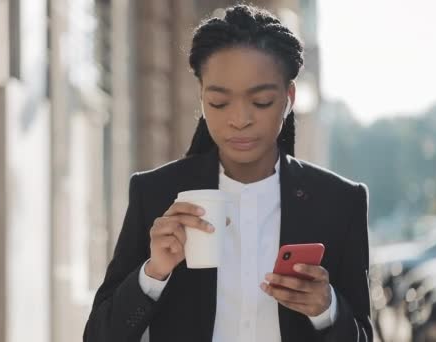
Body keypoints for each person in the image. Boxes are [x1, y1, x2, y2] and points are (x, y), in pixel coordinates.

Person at [83, 4, 372, 342]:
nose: (239, 119)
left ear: (289, 98)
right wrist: (153, 273)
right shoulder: (156, 193)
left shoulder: (339, 202)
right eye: (219, 102)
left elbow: (362, 336)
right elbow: (99, 336)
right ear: (202, 99)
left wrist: (327, 309)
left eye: (261, 101)